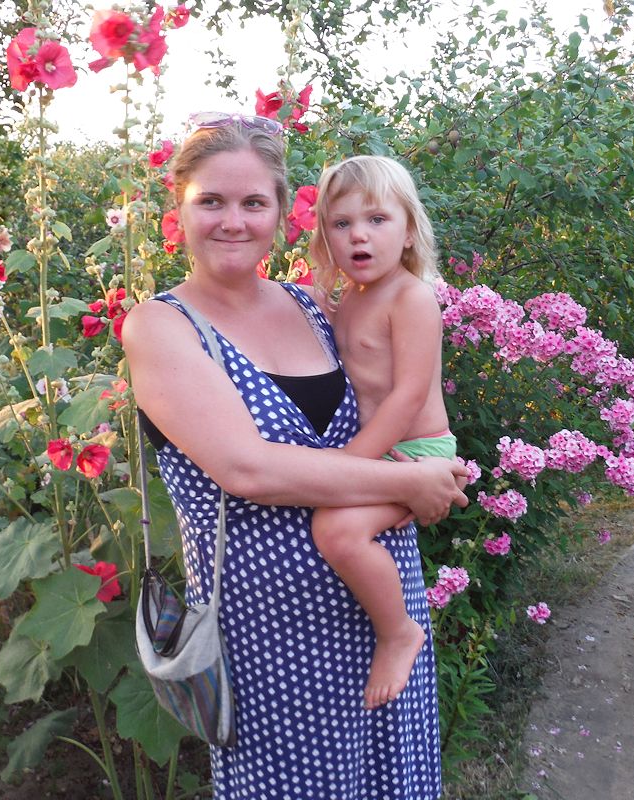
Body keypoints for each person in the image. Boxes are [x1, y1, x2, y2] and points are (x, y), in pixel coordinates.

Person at [122, 112, 469, 800]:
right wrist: (410, 482)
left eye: (254, 202)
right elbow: (247, 469)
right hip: (270, 639)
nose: (233, 221)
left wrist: (430, 464)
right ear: (179, 210)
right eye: (211, 201)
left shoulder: (316, 306)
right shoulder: (161, 326)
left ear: (282, 215)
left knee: (394, 780)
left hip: (380, 610)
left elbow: (405, 393)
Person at [309, 155, 456, 711]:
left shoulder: (411, 297)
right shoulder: (351, 298)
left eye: (376, 220)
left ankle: (399, 633)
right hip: (383, 452)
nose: (359, 235)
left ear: (409, 231)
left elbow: (408, 396)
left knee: (336, 530)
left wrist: (347, 466)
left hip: (416, 452)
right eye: (342, 223)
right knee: (335, 527)